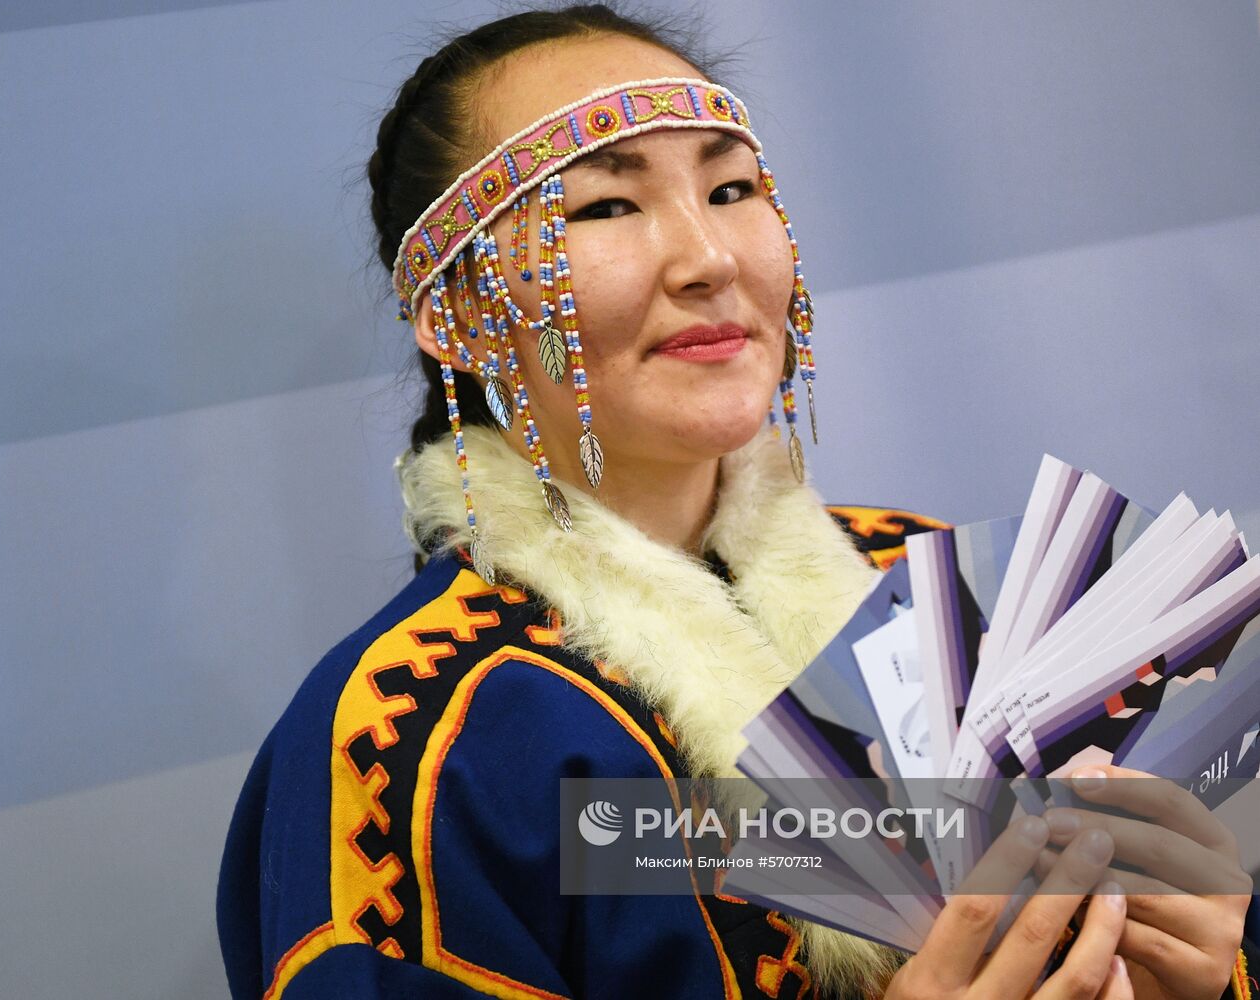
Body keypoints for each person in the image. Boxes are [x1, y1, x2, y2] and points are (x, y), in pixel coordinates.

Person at [216, 5, 1255, 998]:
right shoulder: (415, 732)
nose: (708, 259)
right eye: (604, 206)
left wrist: (1197, 972)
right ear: (456, 314)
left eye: (730, 191)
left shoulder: (926, 585)